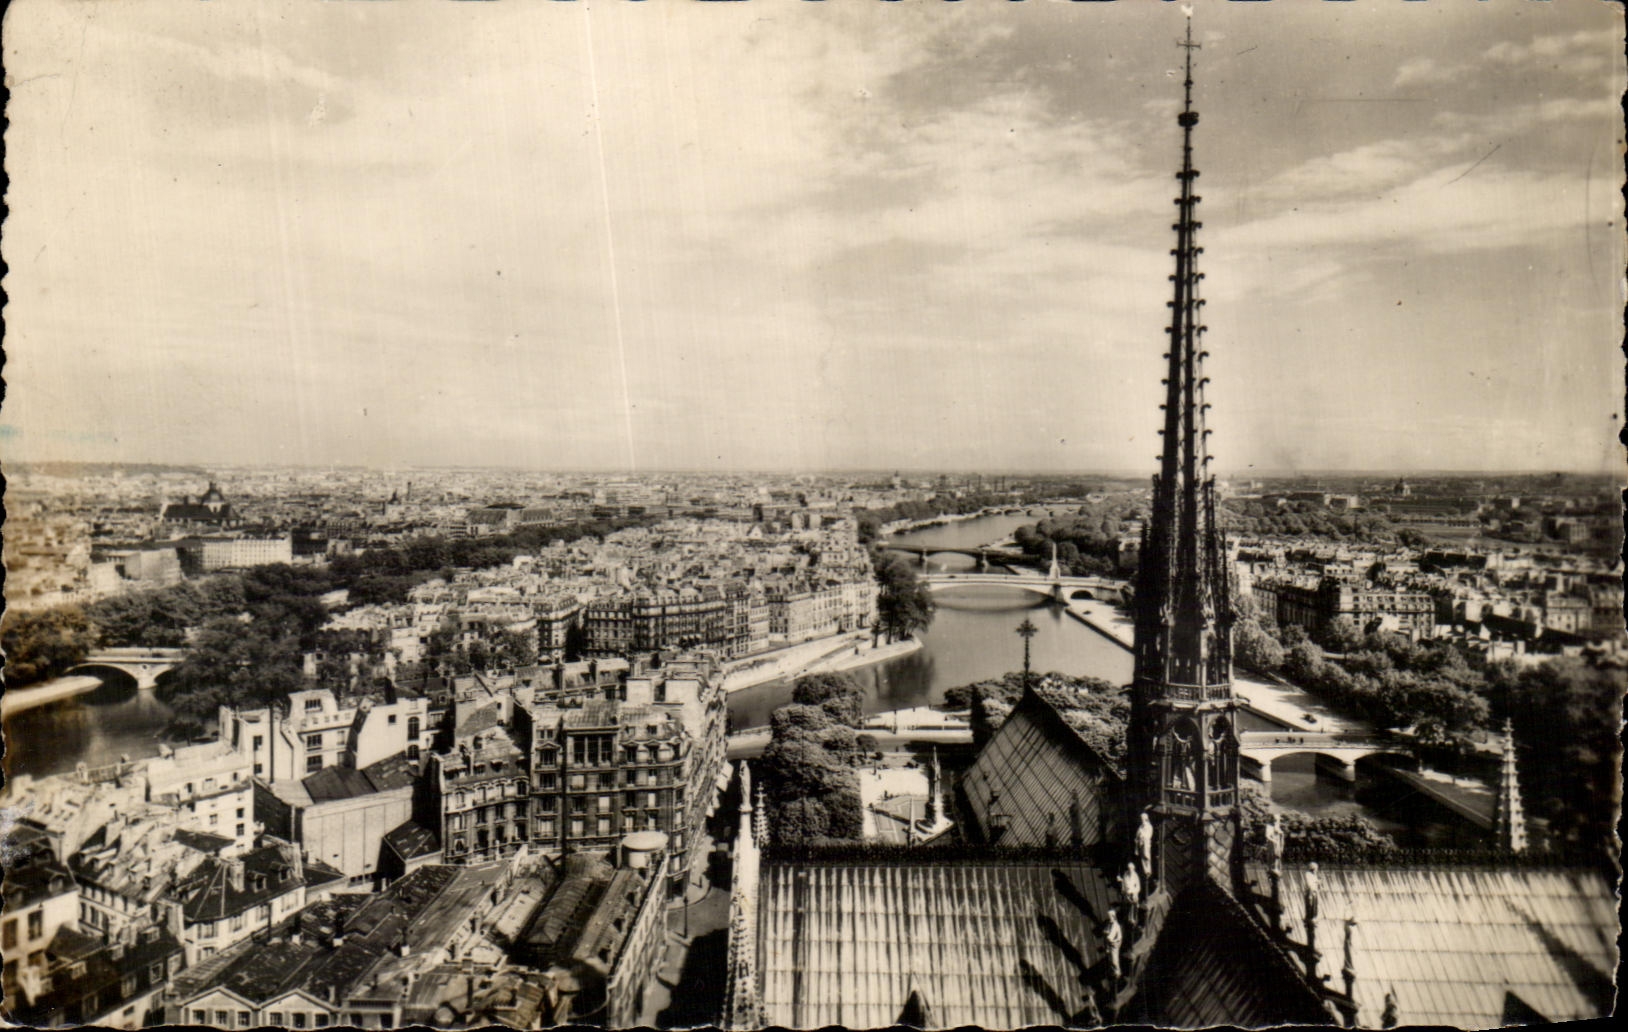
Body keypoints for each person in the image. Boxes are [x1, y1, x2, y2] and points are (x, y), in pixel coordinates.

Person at [1118, 862, 1142, 936]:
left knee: (1133, 906)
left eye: (1131, 868)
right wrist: (1124, 891)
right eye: (1129, 868)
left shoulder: (1135, 876)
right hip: (1127, 895)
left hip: (1133, 894)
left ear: (1133, 869)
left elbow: (1138, 887)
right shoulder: (1125, 874)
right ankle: (1129, 920)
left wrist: (1134, 892)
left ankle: (1134, 920)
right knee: (1128, 907)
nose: (1130, 870)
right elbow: (1124, 885)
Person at [1103, 907, 1124, 986]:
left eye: (1110, 917)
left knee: (1114, 959)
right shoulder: (1110, 923)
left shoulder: (1115, 926)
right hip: (1111, 943)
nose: (1109, 918)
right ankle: (1113, 970)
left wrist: (1107, 934)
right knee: (1111, 957)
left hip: (1114, 944)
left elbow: (1110, 937)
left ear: (1113, 917)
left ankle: (1117, 973)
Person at [1135, 810, 1155, 882]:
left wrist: (1142, 837)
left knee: (1146, 856)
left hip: (1145, 843)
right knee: (1143, 857)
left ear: (1146, 819)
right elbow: (1137, 835)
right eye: (1141, 819)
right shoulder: (1141, 827)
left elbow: (1148, 835)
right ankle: (1145, 871)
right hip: (1141, 843)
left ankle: (1148, 871)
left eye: (1143, 819)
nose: (1142, 820)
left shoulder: (1149, 826)